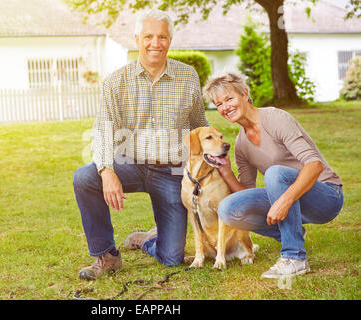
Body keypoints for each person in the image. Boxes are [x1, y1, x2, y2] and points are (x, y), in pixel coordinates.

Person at [73, 9, 208, 280]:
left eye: (162, 37)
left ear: (170, 40)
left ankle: (149, 239)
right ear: (137, 38)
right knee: (85, 177)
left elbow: (199, 127)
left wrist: (206, 168)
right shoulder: (116, 81)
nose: (155, 43)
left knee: (172, 258)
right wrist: (106, 171)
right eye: (148, 36)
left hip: (171, 172)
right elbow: (102, 130)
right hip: (129, 164)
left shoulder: (188, 77)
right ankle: (107, 255)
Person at [203, 71, 343, 279]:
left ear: (245, 93)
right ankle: (291, 233)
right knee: (228, 208)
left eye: (229, 99)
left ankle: (295, 258)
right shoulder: (241, 144)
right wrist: (225, 170)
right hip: (291, 200)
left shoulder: (275, 118)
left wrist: (284, 200)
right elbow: (247, 196)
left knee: (275, 173)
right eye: (219, 104)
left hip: (326, 196)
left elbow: (314, 165)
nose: (225, 107)